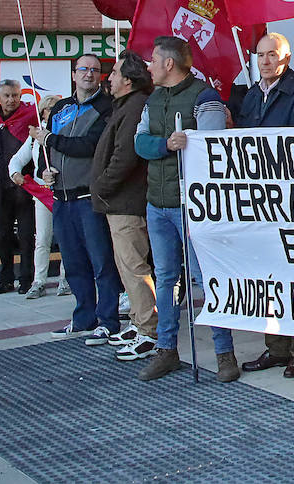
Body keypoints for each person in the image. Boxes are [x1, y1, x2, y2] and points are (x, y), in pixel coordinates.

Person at [135, 36, 240, 383]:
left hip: (193, 204)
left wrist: (183, 145)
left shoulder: (204, 96)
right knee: (165, 278)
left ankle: (225, 352)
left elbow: (214, 149)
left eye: (153, 60)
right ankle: (167, 349)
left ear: (169, 64)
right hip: (158, 201)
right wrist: (165, 144)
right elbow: (139, 142)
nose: (148, 66)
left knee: (206, 276)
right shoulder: (152, 98)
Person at [237, 32, 294, 377]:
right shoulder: (252, 95)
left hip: (291, 197)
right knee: (268, 276)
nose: (266, 61)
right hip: (261, 199)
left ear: (286, 57)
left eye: (273, 55)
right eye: (261, 55)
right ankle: (276, 348)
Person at [36, 56, 121, 344]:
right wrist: (43, 169)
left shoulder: (106, 108)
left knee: (101, 263)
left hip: (88, 198)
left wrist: (50, 140)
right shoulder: (60, 108)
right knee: (73, 264)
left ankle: (108, 321)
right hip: (61, 198)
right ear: (73, 75)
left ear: (101, 76)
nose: (88, 74)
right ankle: (83, 317)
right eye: (83, 69)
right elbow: (45, 149)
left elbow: (90, 146)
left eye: (94, 70)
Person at [89, 52, 158, 361]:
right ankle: (137, 322)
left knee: (134, 267)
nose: (109, 78)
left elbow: (125, 157)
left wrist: (100, 185)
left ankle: (147, 331)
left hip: (127, 203)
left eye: (114, 73)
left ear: (128, 80)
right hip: (118, 203)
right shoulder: (125, 107)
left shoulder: (134, 108)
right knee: (126, 267)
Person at [0, 80, 37, 295]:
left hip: (24, 190)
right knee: (3, 237)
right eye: (7, 96)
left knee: (27, 237)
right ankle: (5, 279)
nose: (11, 100)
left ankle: (27, 279)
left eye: (15, 95)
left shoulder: (30, 119)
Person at [10, 94, 67, 299]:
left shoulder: (64, 132)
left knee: (65, 239)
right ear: (42, 112)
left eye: (56, 108)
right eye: (48, 108)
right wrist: (15, 173)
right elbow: (17, 159)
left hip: (62, 192)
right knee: (42, 239)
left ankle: (66, 278)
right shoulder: (34, 138)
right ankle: (39, 281)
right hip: (42, 193)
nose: (51, 112)